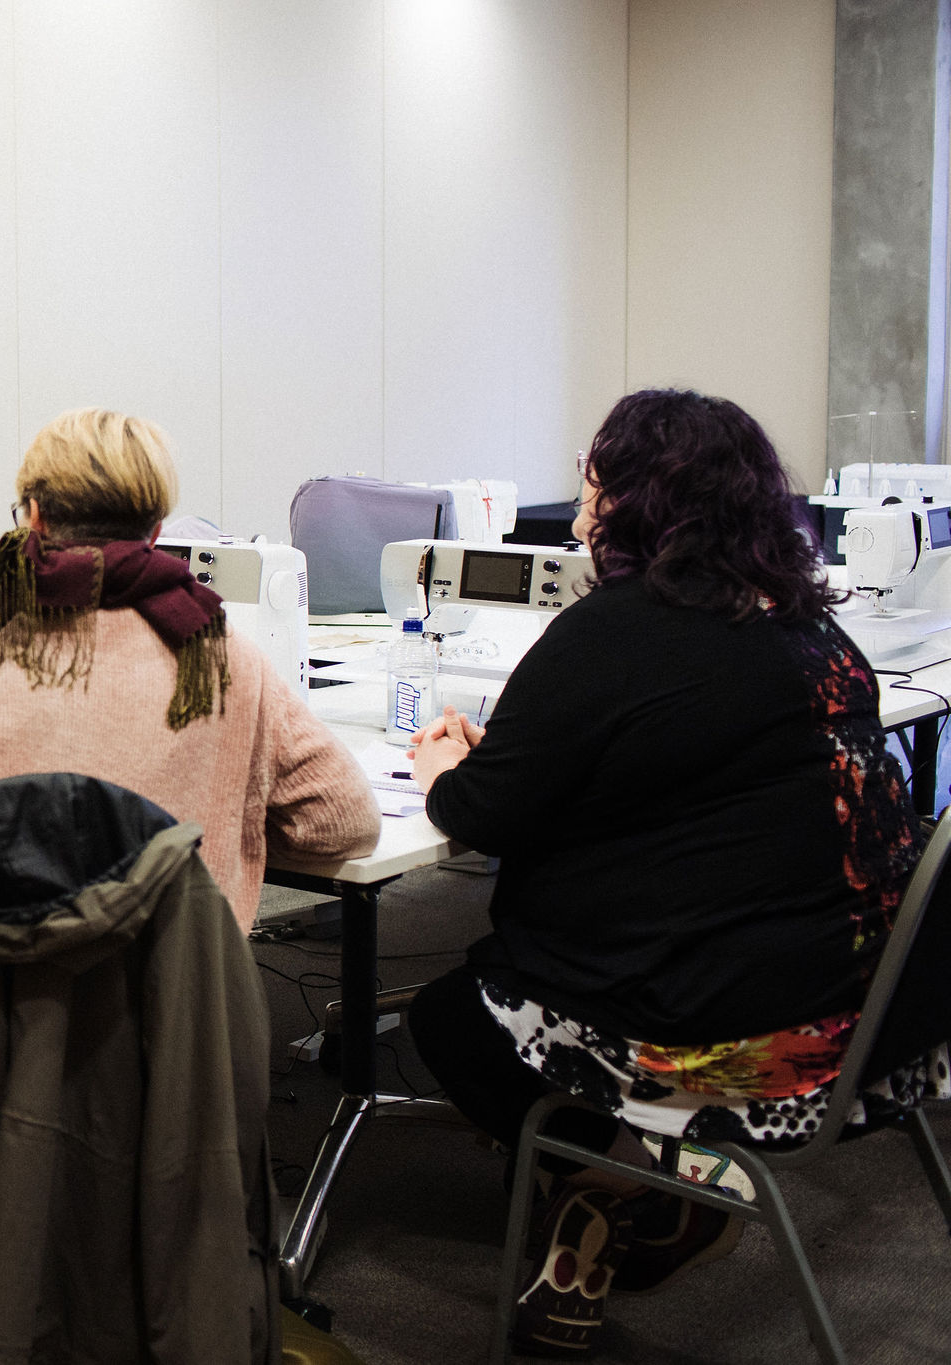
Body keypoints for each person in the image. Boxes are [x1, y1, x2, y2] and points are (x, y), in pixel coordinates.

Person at [405, 388, 951, 1357]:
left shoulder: (615, 629)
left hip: (734, 1040)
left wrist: (445, 765)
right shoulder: (811, 629)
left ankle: (631, 1183)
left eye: (592, 484)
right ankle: (611, 1198)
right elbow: (690, 779)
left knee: (451, 1015)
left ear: (632, 501)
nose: (581, 508)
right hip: (878, 1014)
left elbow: (477, 813)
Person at [0, 408, 382, 1176]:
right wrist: (225, 805)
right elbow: (345, 821)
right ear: (157, 527)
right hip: (174, 1045)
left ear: (33, 516)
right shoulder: (223, 657)